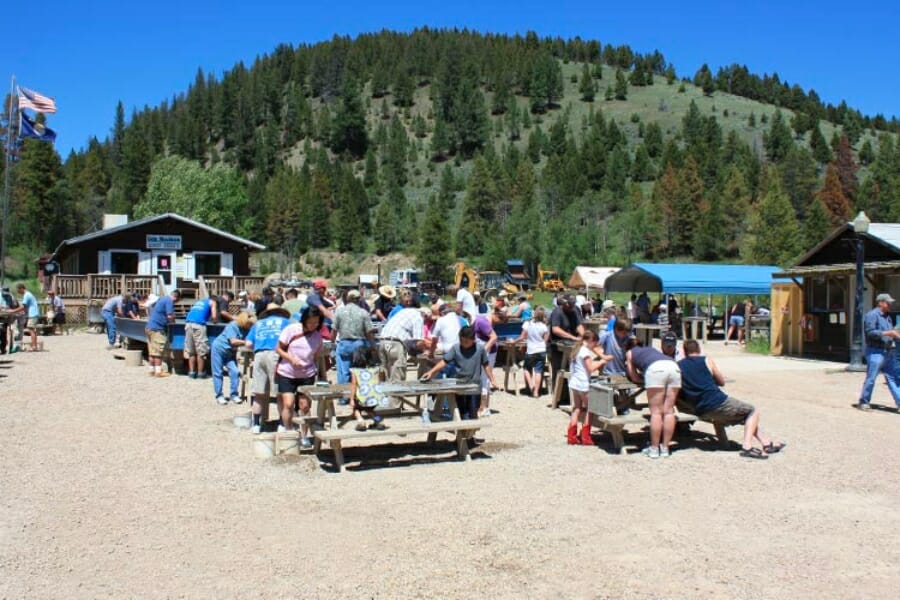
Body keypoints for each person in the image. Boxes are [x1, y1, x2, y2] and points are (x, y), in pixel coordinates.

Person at [678, 339, 785, 458]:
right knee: (752, 411)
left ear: (685, 351)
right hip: (717, 402)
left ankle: (766, 443)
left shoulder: (679, 365)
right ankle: (747, 446)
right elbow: (721, 381)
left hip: (700, 408)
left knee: (744, 414)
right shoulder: (706, 360)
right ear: (698, 349)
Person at [421, 326, 498, 421]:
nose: (464, 344)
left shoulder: (480, 349)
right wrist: (431, 372)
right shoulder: (456, 348)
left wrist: (492, 380)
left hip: (474, 387)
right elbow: (444, 361)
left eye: (466, 342)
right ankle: (463, 434)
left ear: (473, 340)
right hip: (460, 386)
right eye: (462, 341)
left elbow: (486, 365)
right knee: (462, 412)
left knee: (473, 412)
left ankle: (470, 434)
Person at [275, 306, 324, 447]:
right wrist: (291, 358)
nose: (313, 325)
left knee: (305, 407)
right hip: (287, 372)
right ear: (304, 320)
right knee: (288, 403)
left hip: (307, 374)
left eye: (316, 323)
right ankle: (289, 430)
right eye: (311, 322)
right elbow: (278, 348)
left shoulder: (317, 337)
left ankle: (304, 435)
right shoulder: (291, 330)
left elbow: (315, 355)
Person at [625, 337, 681, 458]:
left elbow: (634, 377)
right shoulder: (651, 350)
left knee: (656, 412)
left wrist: (643, 379)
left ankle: (654, 448)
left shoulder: (630, 353)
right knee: (669, 411)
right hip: (674, 367)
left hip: (656, 370)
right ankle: (665, 448)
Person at [245, 302, 291, 433]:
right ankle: (282, 424)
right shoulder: (285, 322)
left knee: (259, 393)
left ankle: (256, 424)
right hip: (276, 355)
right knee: (280, 393)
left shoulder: (258, 324)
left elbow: (248, 343)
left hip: (259, 355)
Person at [857, 292, 900, 411]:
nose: (890, 304)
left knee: (893, 378)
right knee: (871, 378)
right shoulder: (872, 315)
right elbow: (870, 332)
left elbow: (891, 332)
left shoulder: (887, 316)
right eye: (888, 302)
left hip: (888, 351)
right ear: (881, 303)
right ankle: (863, 402)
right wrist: (888, 333)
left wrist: (895, 334)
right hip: (875, 351)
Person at [567, 330, 607, 445]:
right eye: (595, 344)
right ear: (590, 341)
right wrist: (602, 362)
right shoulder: (584, 351)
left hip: (574, 383)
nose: (594, 347)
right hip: (582, 384)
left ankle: (571, 436)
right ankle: (586, 436)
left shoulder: (576, 349)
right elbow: (590, 368)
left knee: (577, 408)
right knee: (591, 408)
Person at [210, 311, 254, 405]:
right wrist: (245, 342)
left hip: (230, 352)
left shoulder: (247, 329)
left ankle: (234, 394)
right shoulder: (232, 326)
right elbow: (233, 341)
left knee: (235, 371)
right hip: (219, 348)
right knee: (218, 372)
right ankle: (219, 395)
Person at [377, 303, 425, 388]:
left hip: (382, 341)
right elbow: (418, 341)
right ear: (424, 315)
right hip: (396, 344)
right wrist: (424, 350)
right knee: (397, 380)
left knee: (385, 376)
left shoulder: (403, 312)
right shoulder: (418, 317)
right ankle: (395, 401)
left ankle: (384, 400)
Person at [332, 289, 375, 384]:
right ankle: (357, 394)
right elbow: (369, 332)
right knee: (358, 372)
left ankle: (344, 397)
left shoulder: (340, 311)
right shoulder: (363, 313)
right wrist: (372, 346)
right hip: (359, 345)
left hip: (344, 344)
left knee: (344, 372)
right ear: (359, 299)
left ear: (347, 298)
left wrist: (332, 343)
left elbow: (334, 330)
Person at [549, 294, 585, 391]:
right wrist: (572, 337)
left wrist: (583, 335)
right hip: (557, 345)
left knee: (574, 369)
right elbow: (555, 329)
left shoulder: (575, 310)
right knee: (559, 370)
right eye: (569, 305)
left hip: (572, 344)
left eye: (572, 305)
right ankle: (558, 396)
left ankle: (572, 395)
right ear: (564, 303)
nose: (571, 307)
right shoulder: (557, 312)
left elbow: (579, 324)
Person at [349, 346, 388, 431]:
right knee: (368, 408)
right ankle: (378, 420)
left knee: (356, 408)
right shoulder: (375, 369)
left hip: (363, 395)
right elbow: (377, 381)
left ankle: (361, 421)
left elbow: (354, 384)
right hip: (375, 395)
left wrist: (351, 398)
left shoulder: (355, 370)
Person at [515, 306, 550, 397]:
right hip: (541, 349)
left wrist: (513, 341)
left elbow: (522, 337)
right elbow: (545, 339)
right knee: (538, 371)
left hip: (531, 350)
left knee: (526, 368)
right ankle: (536, 392)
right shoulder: (544, 326)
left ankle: (531, 385)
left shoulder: (528, 324)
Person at [184, 295, 221, 379]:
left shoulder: (200, 302)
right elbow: (214, 317)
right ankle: (201, 373)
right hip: (199, 325)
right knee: (201, 350)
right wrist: (215, 321)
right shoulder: (213, 302)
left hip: (188, 324)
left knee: (191, 351)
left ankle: (192, 373)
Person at [146, 289, 180, 377]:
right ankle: (158, 371)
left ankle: (151, 370)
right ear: (176, 297)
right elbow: (169, 315)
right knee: (158, 350)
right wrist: (174, 322)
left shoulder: (162, 299)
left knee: (152, 350)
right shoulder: (169, 301)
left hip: (149, 327)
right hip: (158, 328)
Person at [15, 283, 40, 351]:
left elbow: (23, 306)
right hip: (34, 313)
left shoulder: (26, 295)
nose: (18, 292)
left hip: (33, 314)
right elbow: (26, 307)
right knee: (32, 330)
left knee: (31, 330)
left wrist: (13, 311)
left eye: (18, 291)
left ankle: (34, 346)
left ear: (21, 288)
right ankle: (34, 345)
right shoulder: (29, 294)